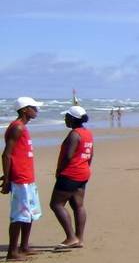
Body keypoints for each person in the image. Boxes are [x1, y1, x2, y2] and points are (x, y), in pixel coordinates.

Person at [2, 97, 44, 260]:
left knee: (29, 213)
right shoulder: (17, 127)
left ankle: (24, 246)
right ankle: (12, 252)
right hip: (20, 178)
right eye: (34, 107)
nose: (37, 110)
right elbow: (6, 154)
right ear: (25, 109)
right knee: (19, 215)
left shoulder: (22, 127)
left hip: (27, 176)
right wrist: (6, 179)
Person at [50, 106, 93, 249]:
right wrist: (86, 168)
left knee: (56, 204)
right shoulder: (87, 133)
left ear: (73, 119)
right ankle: (79, 238)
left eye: (66, 117)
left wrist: (59, 170)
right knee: (78, 205)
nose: (65, 119)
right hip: (83, 172)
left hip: (71, 173)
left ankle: (71, 237)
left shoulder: (74, 134)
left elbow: (68, 156)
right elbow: (90, 154)